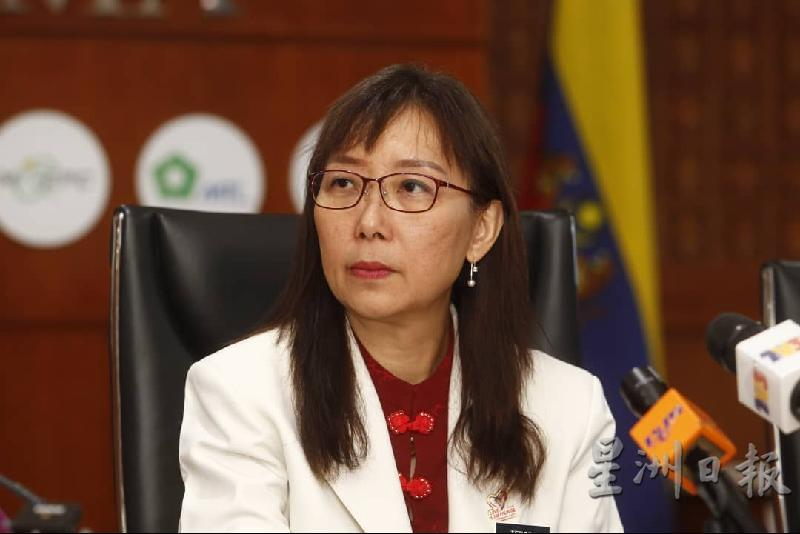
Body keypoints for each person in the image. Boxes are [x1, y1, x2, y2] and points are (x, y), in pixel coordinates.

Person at [178, 64, 623, 532]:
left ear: (481, 229)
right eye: (343, 183)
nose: (369, 222)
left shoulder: (569, 406)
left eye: (411, 187)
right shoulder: (242, 391)